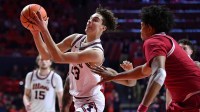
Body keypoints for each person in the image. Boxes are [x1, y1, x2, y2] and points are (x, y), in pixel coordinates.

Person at [92, 5, 200, 112]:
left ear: (149, 28)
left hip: (193, 98)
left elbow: (160, 74)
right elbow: (143, 71)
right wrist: (114, 77)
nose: (140, 30)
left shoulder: (154, 42)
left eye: (141, 26)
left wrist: (142, 108)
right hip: (187, 99)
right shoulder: (165, 40)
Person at [27, 6, 122, 112]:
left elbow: (59, 58)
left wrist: (44, 30)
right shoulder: (75, 38)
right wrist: (35, 33)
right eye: (89, 19)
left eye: (95, 20)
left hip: (92, 101)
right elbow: (45, 55)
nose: (89, 21)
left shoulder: (96, 52)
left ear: (103, 28)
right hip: (77, 100)